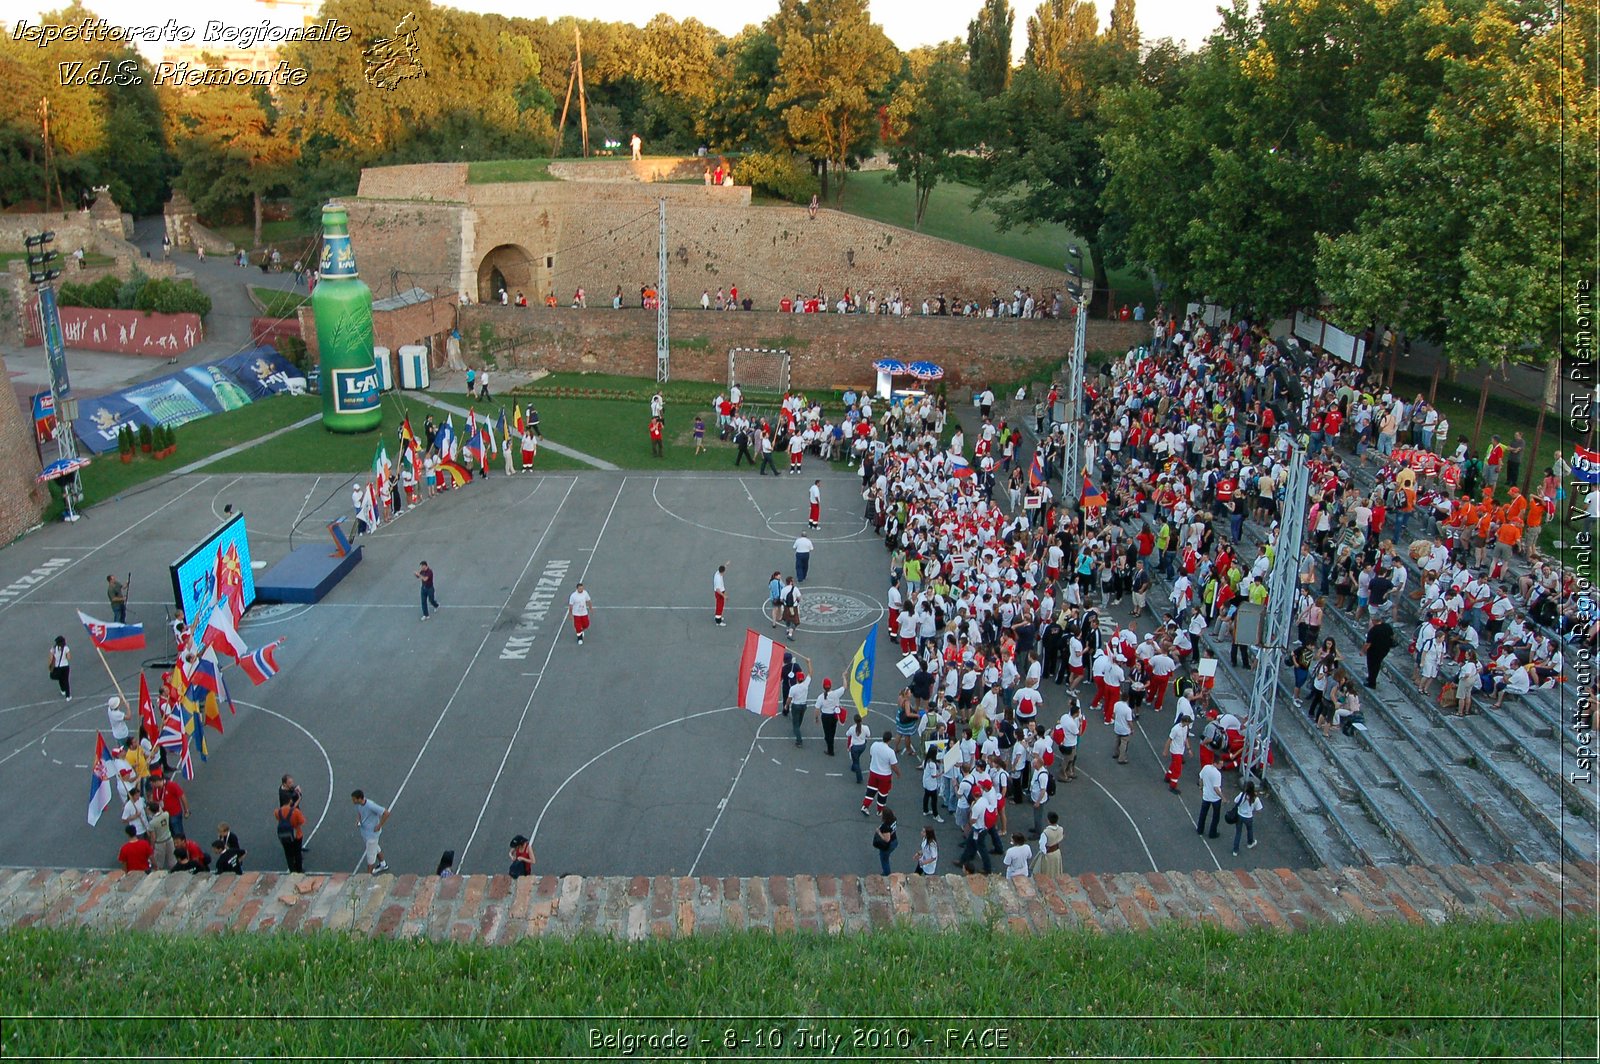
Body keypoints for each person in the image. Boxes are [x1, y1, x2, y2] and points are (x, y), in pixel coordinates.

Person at [860, 731, 900, 814]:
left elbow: (871, 755)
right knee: (883, 793)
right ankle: (880, 810)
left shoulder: (874, 745)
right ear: (890, 740)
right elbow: (893, 766)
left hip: (873, 772)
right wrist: (898, 773)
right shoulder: (890, 752)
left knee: (871, 790)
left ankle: (865, 806)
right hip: (884, 775)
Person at [351, 789, 390, 873]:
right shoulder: (359, 805)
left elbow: (386, 813)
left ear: (359, 799)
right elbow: (359, 813)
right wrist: (358, 819)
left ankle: (368, 878)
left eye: (354, 799)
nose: (352, 801)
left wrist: (379, 825)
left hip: (371, 835)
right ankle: (383, 864)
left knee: (370, 859)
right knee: (375, 848)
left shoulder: (370, 805)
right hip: (366, 833)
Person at [274, 794, 306, 873]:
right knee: (297, 852)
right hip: (296, 835)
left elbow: (278, 818)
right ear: (290, 800)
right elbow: (302, 822)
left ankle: (292, 869)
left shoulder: (278, 811)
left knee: (288, 853)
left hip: (284, 834)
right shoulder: (295, 812)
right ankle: (299, 869)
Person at [1230, 781, 1262, 855]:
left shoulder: (1242, 795)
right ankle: (1250, 843)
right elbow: (1259, 810)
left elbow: (1235, 801)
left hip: (1239, 815)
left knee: (1238, 833)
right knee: (1249, 830)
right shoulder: (1255, 798)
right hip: (1248, 817)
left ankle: (1235, 850)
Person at [1364, 620, 1396, 689]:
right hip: (1384, 649)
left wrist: (1363, 651)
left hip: (1374, 651)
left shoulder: (1373, 630)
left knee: (1372, 666)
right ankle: (1371, 678)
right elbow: (1392, 636)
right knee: (1376, 665)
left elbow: (1368, 643)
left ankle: (1371, 682)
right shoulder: (1387, 626)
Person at [1195, 760, 1223, 838]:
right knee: (1216, 816)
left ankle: (1200, 829)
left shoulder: (1206, 767)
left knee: (1203, 813)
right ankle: (1212, 833)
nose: (1221, 766)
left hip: (1206, 796)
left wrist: (1201, 787)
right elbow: (1216, 788)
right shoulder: (1218, 774)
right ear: (1215, 763)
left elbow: (1200, 778)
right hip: (1215, 798)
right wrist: (1223, 797)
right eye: (1220, 764)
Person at [814, 678, 843, 755]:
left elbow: (817, 709)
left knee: (827, 732)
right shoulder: (836, 694)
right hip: (834, 715)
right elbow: (845, 686)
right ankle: (831, 742)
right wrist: (843, 677)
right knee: (832, 730)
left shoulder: (821, 697)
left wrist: (816, 718)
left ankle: (830, 749)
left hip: (825, 716)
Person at [845, 713, 872, 784]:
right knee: (856, 758)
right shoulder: (865, 728)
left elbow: (847, 734)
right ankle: (853, 767)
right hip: (862, 746)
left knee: (856, 762)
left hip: (855, 747)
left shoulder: (852, 728)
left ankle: (859, 777)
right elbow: (868, 735)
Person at [872, 807, 898, 875]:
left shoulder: (885, 826)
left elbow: (887, 839)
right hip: (894, 840)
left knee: (884, 860)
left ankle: (886, 874)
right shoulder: (894, 819)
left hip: (889, 845)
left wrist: (879, 832)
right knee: (885, 857)